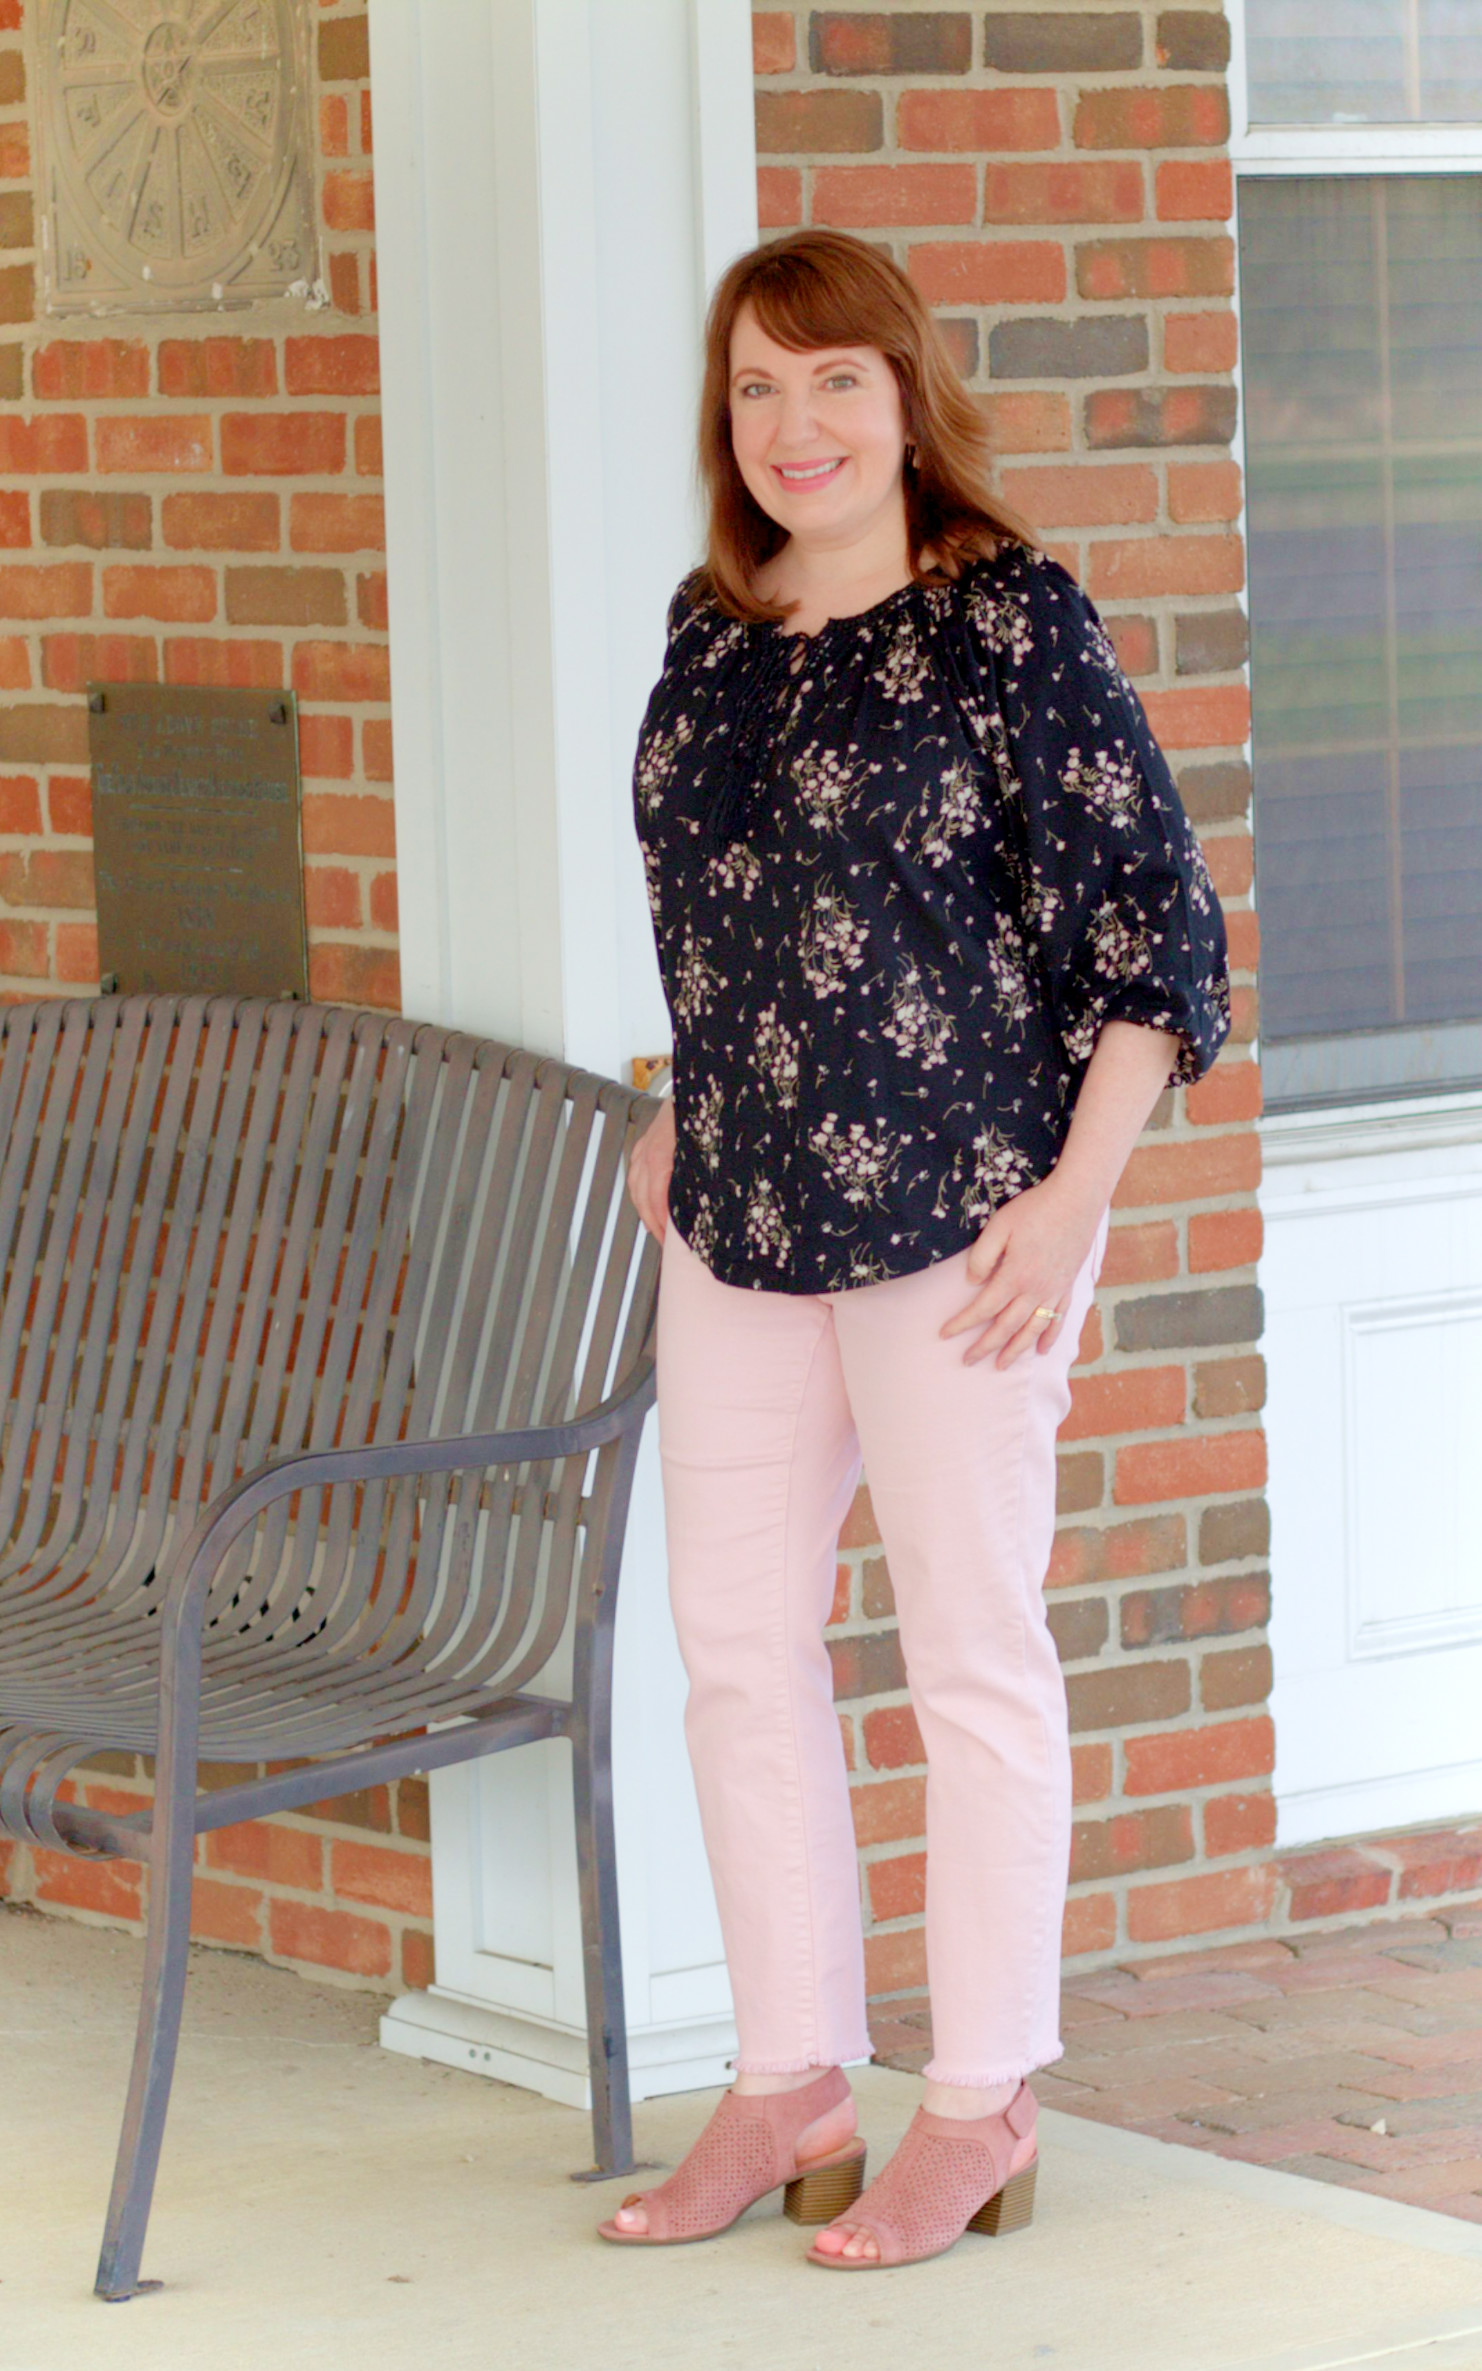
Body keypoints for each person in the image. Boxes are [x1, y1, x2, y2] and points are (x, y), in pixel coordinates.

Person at [601, 229, 1229, 2270]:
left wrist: (1076, 1200)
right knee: (733, 1652)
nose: (797, 426)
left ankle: (977, 2102)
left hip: (961, 1229)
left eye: (835, 381)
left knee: (967, 1654)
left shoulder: (1004, 625)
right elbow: (734, 914)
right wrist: (691, 1100)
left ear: (906, 396)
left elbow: (1155, 927)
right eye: (758, 387)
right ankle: (790, 2077)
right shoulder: (715, 631)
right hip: (743, 1223)